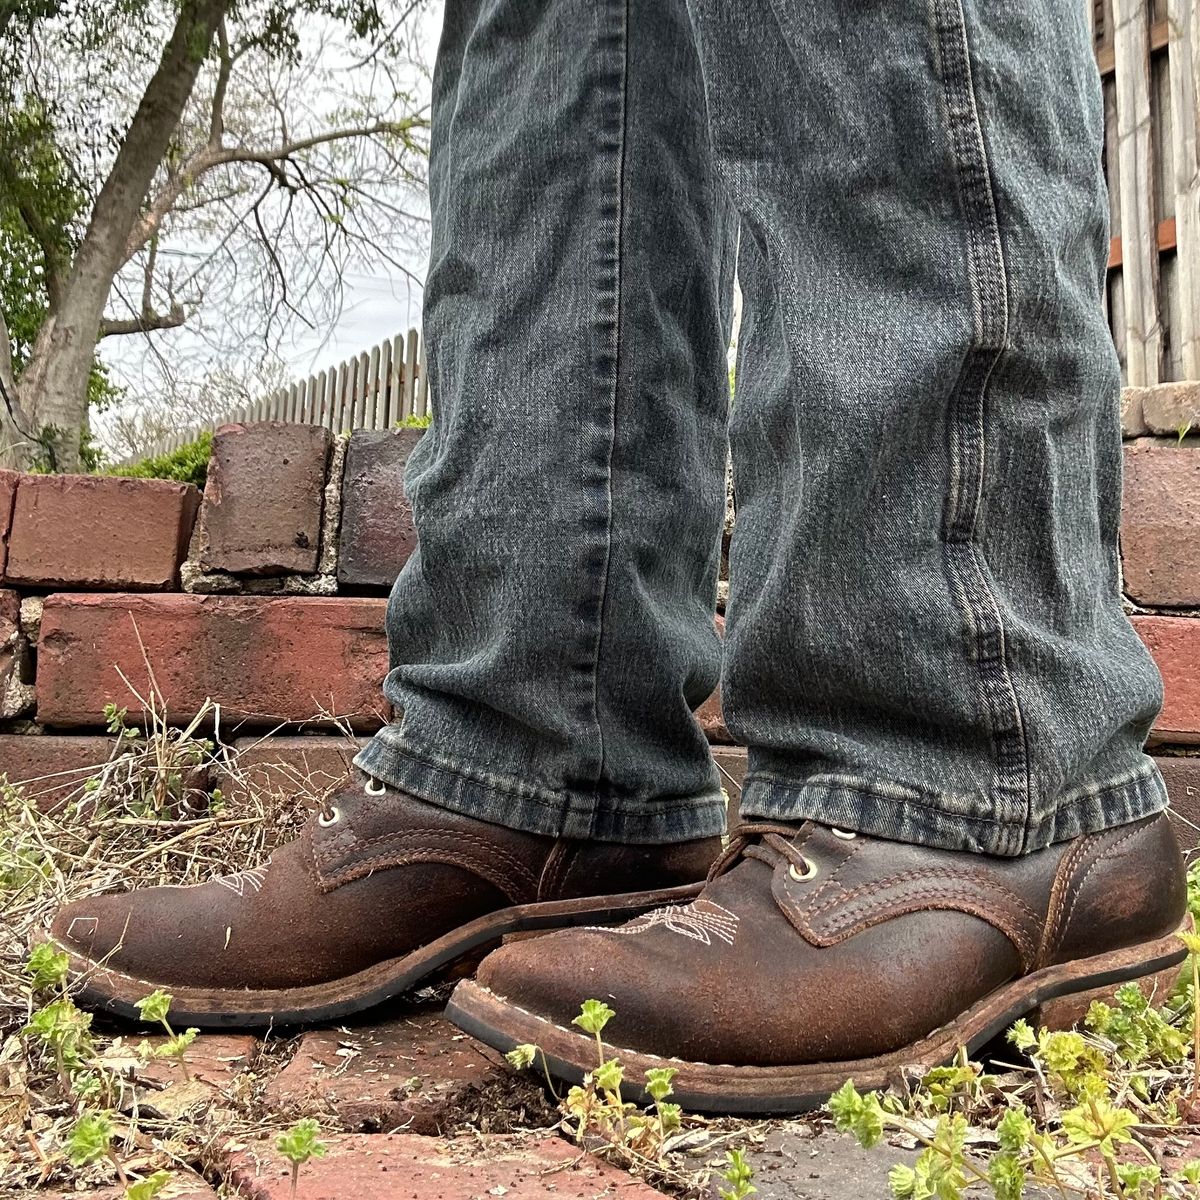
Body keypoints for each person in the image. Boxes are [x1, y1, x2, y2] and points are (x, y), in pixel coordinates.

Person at [50, 0, 1188, 1114]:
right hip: (535, 747)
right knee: (551, 29)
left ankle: (969, 781)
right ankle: (536, 757)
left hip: (987, 786)